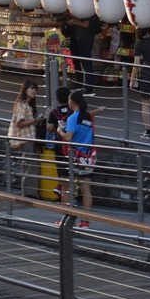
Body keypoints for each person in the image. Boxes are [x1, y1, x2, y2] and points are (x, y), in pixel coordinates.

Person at [57, 90, 95, 225]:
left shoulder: (72, 118)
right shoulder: (88, 117)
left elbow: (68, 138)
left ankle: (65, 219)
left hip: (73, 156)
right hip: (87, 156)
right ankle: (85, 221)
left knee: (66, 187)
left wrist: (60, 130)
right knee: (86, 189)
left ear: (72, 102)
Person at [7, 80, 41, 195]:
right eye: (31, 88)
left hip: (28, 138)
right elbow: (20, 123)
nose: (34, 91)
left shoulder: (27, 105)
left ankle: (28, 192)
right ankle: (29, 193)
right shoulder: (23, 104)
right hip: (26, 138)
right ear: (25, 89)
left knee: (28, 165)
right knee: (31, 166)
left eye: (35, 89)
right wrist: (36, 120)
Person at [63, 13, 102, 96]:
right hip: (76, 39)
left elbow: (86, 24)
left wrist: (74, 22)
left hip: (85, 40)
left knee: (86, 63)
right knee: (77, 62)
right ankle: (79, 83)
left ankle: (89, 88)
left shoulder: (87, 11)